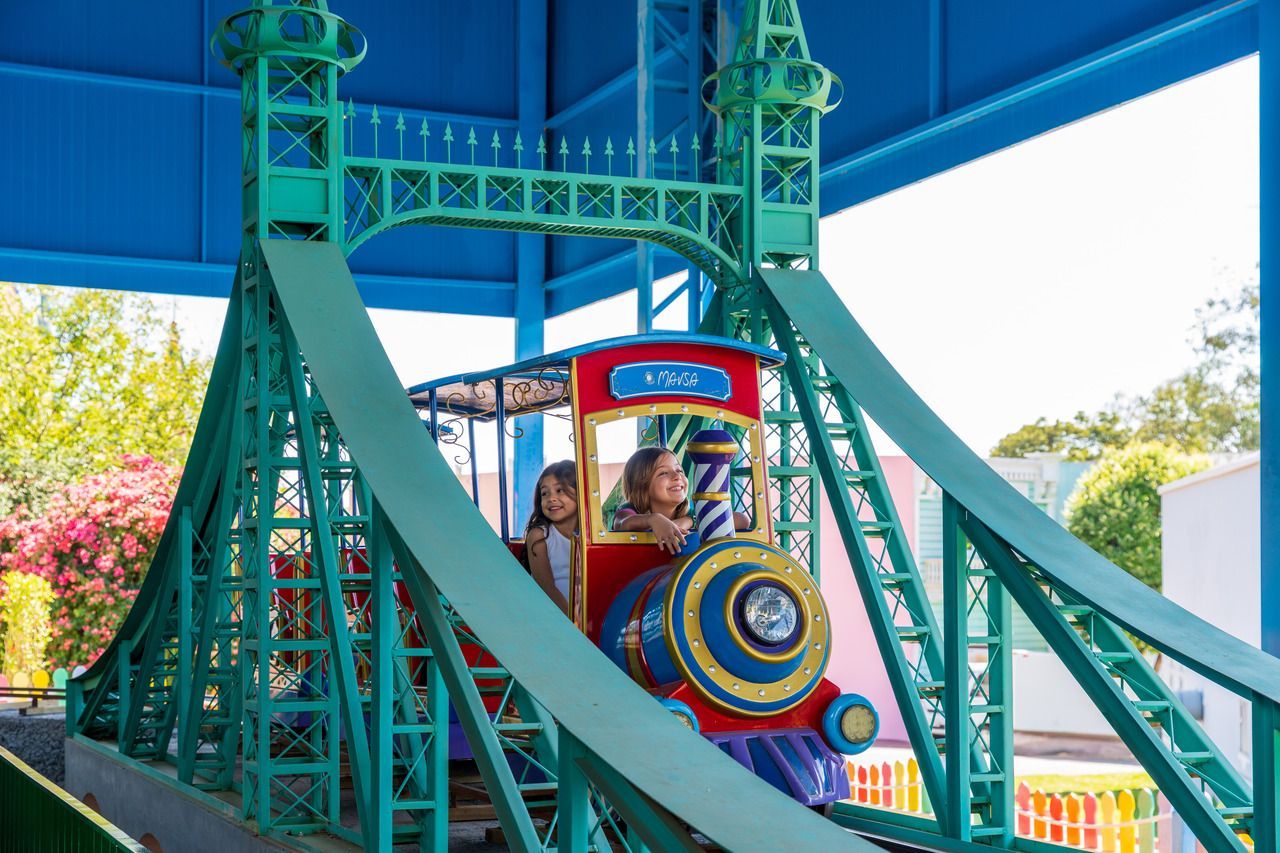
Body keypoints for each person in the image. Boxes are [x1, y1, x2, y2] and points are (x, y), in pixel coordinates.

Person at [612, 447, 695, 554]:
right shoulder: (630, 509)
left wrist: (688, 521)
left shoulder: (690, 513)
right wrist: (653, 519)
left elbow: (699, 518)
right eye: (664, 473)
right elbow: (622, 523)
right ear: (642, 485)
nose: (677, 476)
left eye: (679, 470)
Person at [524, 460, 577, 615]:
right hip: (552, 615)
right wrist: (572, 622)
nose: (551, 498)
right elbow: (546, 586)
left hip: (588, 617)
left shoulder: (590, 536)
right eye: (545, 493)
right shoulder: (540, 536)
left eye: (560, 490)